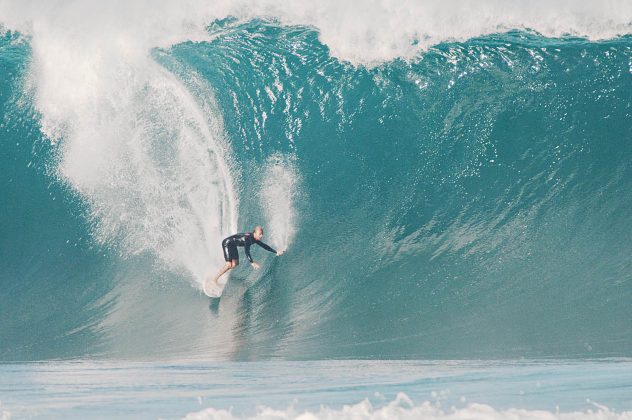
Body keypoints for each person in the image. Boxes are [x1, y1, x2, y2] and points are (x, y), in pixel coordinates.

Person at [209, 226, 283, 287]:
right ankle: (214, 279)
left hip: (233, 245)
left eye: (262, 234)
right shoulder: (248, 239)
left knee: (235, 264)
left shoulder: (254, 239)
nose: (261, 236)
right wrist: (252, 262)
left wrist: (276, 252)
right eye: (260, 234)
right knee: (228, 264)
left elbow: (264, 246)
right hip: (227, 243)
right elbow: (246, 251)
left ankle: (222, 271)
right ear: (255, 233)